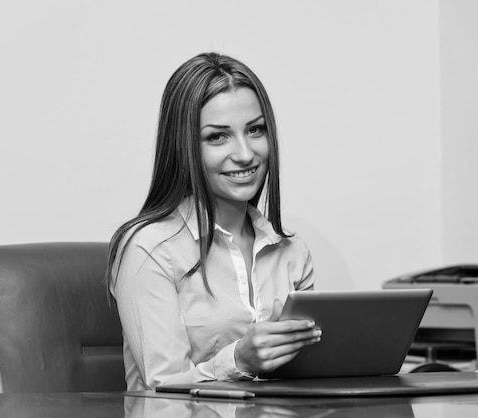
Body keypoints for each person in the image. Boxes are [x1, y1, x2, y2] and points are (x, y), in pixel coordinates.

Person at [107, 52, 320, 391]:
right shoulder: (150, 249)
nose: (246, 154)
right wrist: (239, 361)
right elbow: (161, 388)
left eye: (255, 130)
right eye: (217, 137)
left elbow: (307, 377)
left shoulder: (293, 253)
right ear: (184, 146)